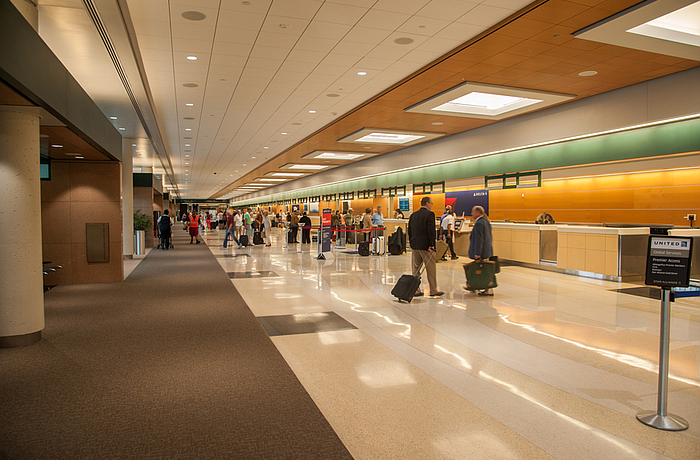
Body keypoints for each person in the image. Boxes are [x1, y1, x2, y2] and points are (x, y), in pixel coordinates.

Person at [407, 196, 443, 297]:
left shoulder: (413, 215)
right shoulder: (430, 214)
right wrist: (432, 245)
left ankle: (416, 290)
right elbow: (431, 230)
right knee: (431, 269)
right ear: (427, 203)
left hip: (415, 246)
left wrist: (412, 243)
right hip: (426, 247)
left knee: (415, 269)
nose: (432, 205)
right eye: (431, 203)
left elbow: (409, 230)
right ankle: (433, 290)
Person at [468, 205, 494, 296]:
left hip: (481, 251)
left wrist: (477, 253)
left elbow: (479, 239)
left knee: (481, 270)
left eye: (473, 212)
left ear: (478, 212)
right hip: (486, 250)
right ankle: (475, 286)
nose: (471, 214)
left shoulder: (479, 223)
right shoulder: (486, 221)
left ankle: (486, 288)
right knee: (483, 270)